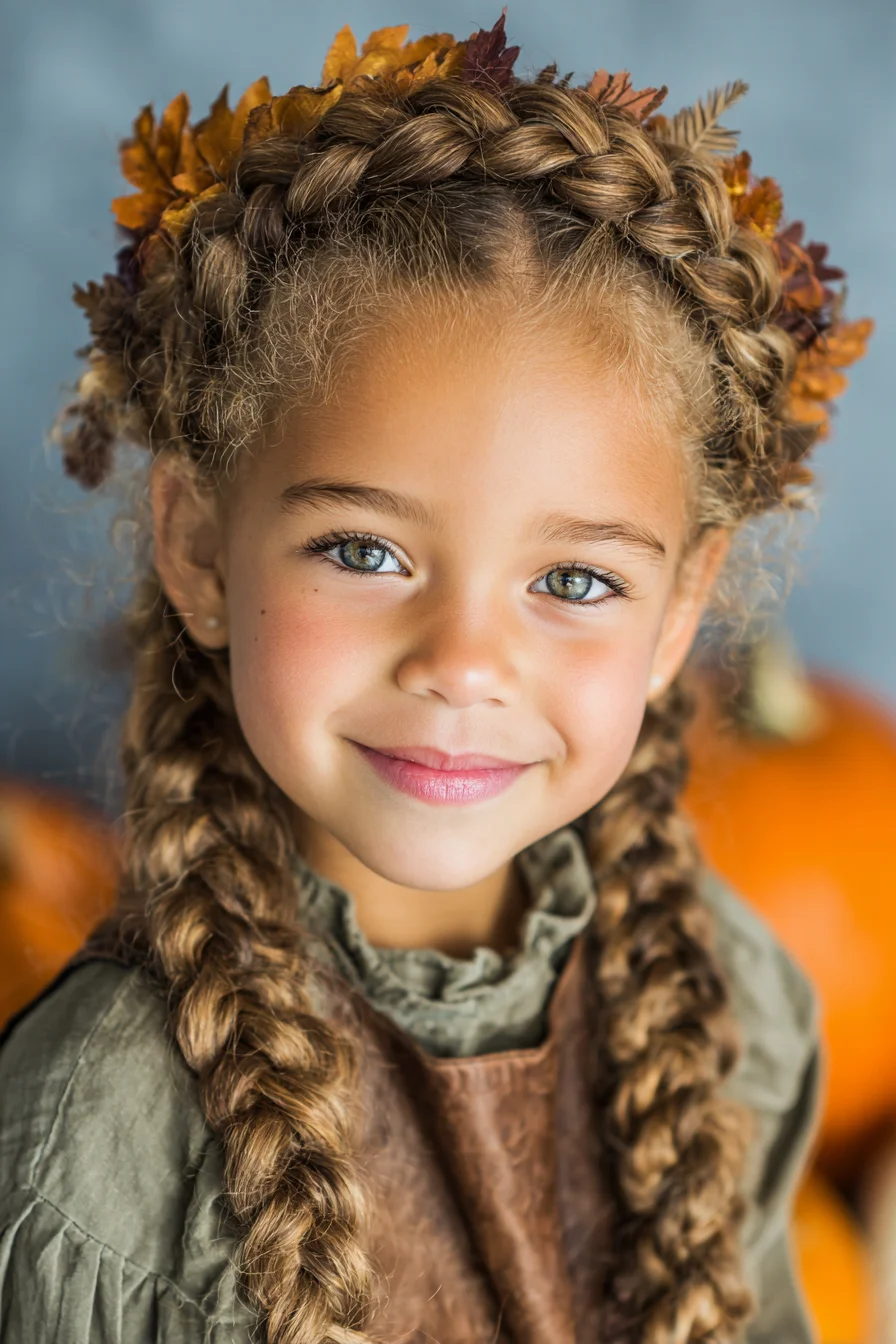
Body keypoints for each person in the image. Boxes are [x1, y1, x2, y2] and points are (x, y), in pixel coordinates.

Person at [0, 12, 874, 1343]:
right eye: (364, 550)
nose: (464, 663)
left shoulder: (731, 1010)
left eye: (573, 582)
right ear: (197, 547)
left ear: (682, 605)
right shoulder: (97, 1133)